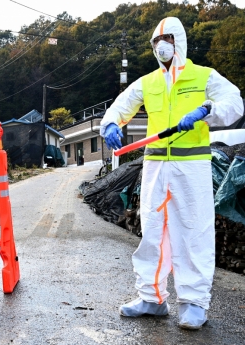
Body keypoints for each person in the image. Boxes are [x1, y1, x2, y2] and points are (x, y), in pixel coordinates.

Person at [100, 17, 243, 330]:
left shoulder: (204, 76)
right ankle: (152, 297)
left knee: (193, 233)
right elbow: (122, 106)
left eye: (166, 38)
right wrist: (111, 124)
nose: (160, 45)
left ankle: (194, 303)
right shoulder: (147, 82)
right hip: (154, 167)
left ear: (178, 40)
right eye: (155, 40)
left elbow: (234, 103)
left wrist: (207, 110)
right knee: (151, 231)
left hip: (190, 167)